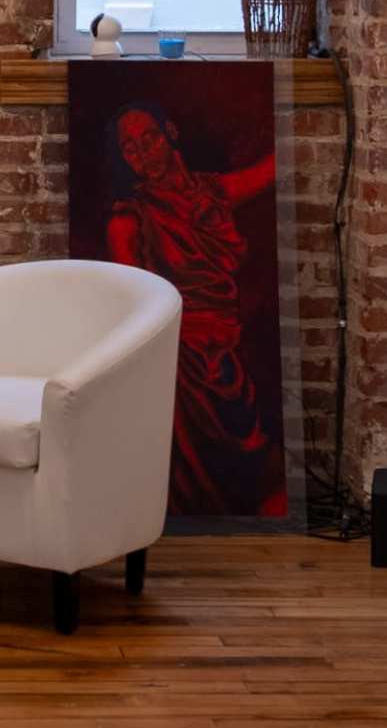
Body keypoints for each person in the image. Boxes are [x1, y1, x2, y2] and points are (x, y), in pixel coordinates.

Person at [100, 103, 287, 516]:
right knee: (189, 472)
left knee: (248, 458)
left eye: (148, 138)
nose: (143, 153)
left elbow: (270, 170)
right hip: (177, 359)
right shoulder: (129, 221)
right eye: (130, 148)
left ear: (170, 132)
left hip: (226, 348)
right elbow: (131, 303)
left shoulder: (214, 192)